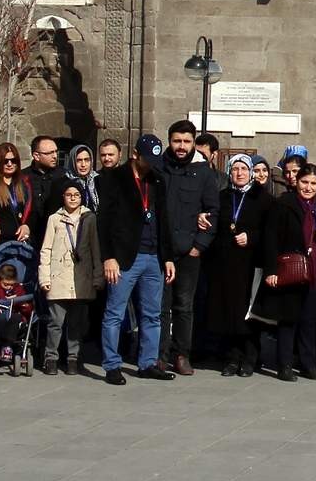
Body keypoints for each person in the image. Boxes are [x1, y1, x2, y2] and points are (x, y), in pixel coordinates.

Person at [255, 163, 316, 380]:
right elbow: (270, 239)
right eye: (305, 182)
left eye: (313, 183)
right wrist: (271, 270)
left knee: (311, 320)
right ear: (297, 181)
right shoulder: (283, 204)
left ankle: (309, 363)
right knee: (289, 318)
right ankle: (284, 364)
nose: (308, 187)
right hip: (291, 270)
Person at [97, 157, 176, 385]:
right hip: (124, 257)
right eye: (147, 159)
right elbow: (104, 221)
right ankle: (112, 365)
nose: (151, 164)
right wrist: (108, 257)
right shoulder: (115, 178)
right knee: (114, 313)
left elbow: (164, 220)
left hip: (154, 257)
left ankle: (148, 363)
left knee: (152, 314)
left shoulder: (157, 179)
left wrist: (168, 257)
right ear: (135, 155)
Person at [154, 120, 221, 376]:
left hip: (189, 252)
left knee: (184, 305)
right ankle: (159, 355)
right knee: (159, 307)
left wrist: (198, 247)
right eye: (176, 141)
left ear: (193, 142)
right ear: (169, 141)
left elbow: (212, 212)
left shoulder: (203, 172)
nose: (181, 147)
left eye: (186, 141)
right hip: (160, 251)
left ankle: (181, 354)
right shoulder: (159, 168)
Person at [207, 154, 270, 377]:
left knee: (248, 314)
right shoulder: (223, 196)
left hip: (251, 264)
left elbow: (269, 231)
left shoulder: (263, 198)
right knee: (229, 313)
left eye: (244, 169)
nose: (240, 173)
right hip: (225, 263)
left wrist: (251, 237)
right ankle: (231, 358)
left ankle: (250, 359)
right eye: (235, 169)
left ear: (251, 172)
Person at [36, 181, 101, 375]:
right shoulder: (54, 219)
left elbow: (96, 249)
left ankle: (73, 358)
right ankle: (51, 358)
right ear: (62, 197)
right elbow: (45, 249)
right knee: (55, 322)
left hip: (81, 279)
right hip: (58, 278)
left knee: (76, 324)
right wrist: (44, 277)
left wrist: (98, 277)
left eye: (77, 195)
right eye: (68, 194)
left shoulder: (89, 218)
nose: (72, 198)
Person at [59, 144, 99, 210]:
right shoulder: (62, 183)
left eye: (86, 160)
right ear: (72, 162)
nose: (83, 165)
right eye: (79, 160)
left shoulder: (98, 180)